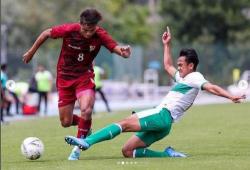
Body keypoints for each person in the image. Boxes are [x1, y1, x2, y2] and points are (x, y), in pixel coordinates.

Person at [65, 27, 245, 158]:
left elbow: (211, 87)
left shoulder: (195, 76)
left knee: (124, 123)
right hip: (165, 125)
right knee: (128, 151)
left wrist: (230, 96)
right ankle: (167, 155)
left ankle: (87, 142)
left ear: (191, 66)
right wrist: (166, 45)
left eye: (182, 65)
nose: (179, 67)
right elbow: (167, 66)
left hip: (162, 115)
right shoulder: (184, 78)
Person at [22, 8, 131, 160]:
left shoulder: (100, 34)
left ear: (95, 27)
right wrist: (31, 52)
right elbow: (46, 33)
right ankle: (84, 125)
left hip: (84, 77)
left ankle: (77, 149)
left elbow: (114, 47)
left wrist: (123, 52)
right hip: (64, 77)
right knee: (65, 122)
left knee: (86, 109)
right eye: (85, 30)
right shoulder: (69, 29)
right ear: (80, 24)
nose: (88, 33)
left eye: (91, 30)